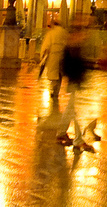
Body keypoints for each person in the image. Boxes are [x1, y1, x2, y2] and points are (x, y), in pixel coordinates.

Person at [57, 19, 98, 152]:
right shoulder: (72, 46)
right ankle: (78, 140)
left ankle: (61, 133)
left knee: (71, 110)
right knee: (77, 112)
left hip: (75, 81)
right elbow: (70, 65)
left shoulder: (74, 45)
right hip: (75, 81)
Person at [39, 17, 67, 98]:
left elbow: (46, 45)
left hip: (53, 55)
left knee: (53, 74)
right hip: (62, 55)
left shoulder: (51, 33)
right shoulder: (64, 32)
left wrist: (42, 56)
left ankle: (54, 90)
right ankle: (57, 91)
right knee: (59, 74)